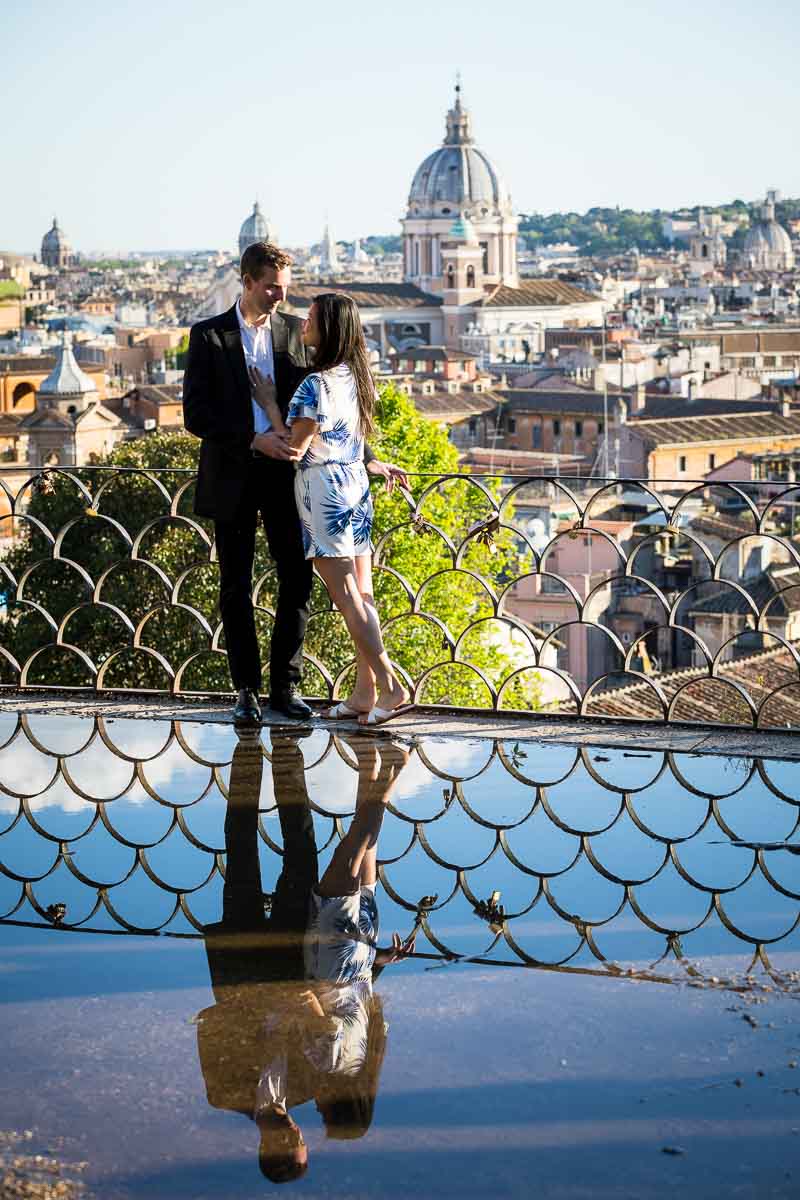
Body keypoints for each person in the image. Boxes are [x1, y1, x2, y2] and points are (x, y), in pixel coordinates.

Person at [182, 241, 405, 726]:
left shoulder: (293, 334)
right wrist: (251, 440)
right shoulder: (207, 336)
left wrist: (365, 457)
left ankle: (285, 688)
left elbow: (325, 406)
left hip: (293, 476)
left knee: (297, 583)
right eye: (270, 288)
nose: (279, 298)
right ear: (246, 281)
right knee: (235, 587)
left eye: (284, 289)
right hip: (235, 474)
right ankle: (246, 691)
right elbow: (195, 416)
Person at [250, 292, 411, 727]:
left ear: (329, 329)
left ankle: (390, 684)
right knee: (363, 594)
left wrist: (267, 405)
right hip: (356, 485)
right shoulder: (356, 378)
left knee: (347, 600)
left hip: (324, 493)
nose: (303, 322)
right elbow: (350, 439)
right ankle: (364, 693)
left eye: (312, 317)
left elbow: (292, 449)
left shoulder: (314, 386)